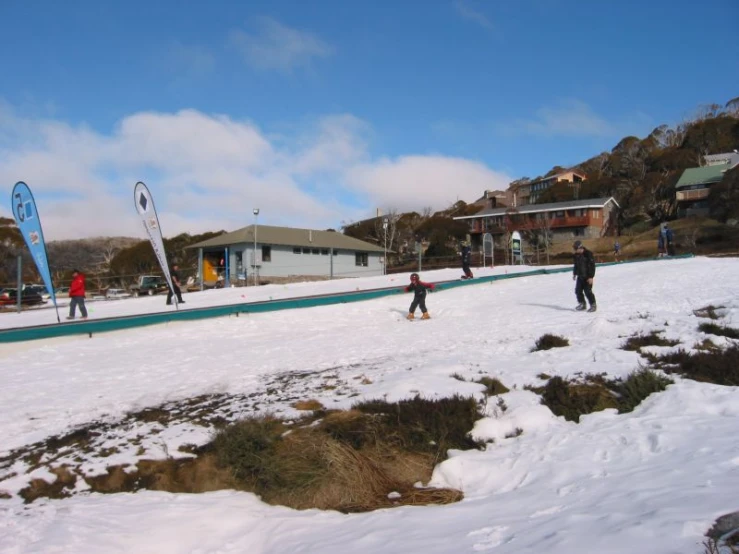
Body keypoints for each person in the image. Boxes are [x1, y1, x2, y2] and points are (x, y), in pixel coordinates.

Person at [572, 241, 596, 312]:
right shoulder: (576, 255)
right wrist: (574, 274)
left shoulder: (588, 254)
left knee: (588, 291)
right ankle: (582, 304)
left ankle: (593, 305)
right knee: (578, 291)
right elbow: (576, 265)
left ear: (580, 248)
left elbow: (592, 266)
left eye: (576, 249)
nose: (575, 250)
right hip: (580, 276)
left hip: (587, 277)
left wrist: (591, 277)